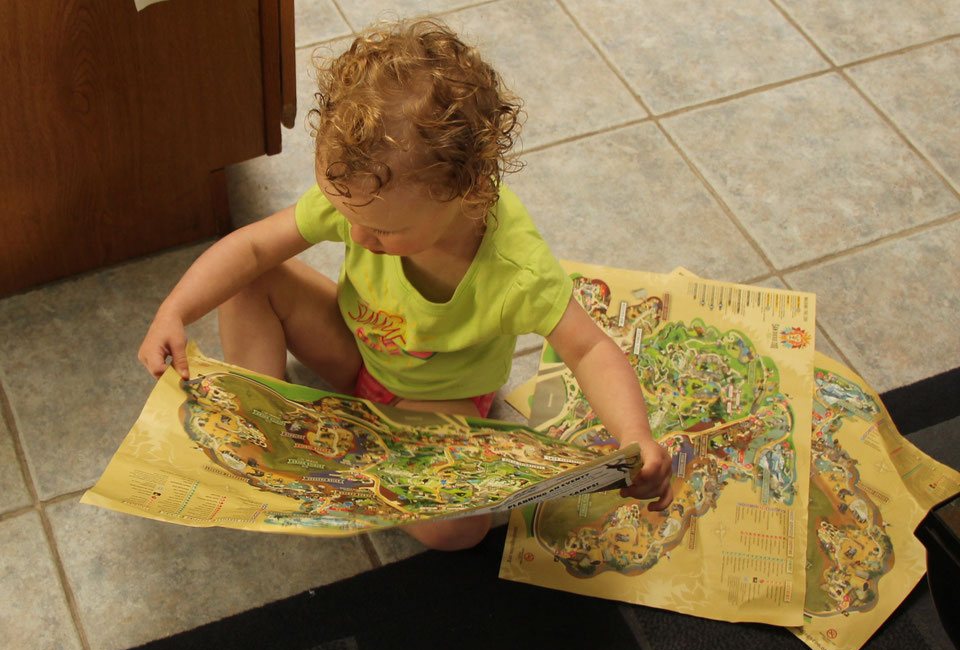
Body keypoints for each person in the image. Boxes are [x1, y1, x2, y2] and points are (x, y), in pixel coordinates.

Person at [138, 18, 673, 551]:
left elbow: (590, 348)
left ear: (468, 193)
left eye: (386, 230)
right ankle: (268, 421)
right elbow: (253, 247)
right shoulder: (364, 197)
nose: (358, 236)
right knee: (249, 279)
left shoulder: (516, 271)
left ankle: (379, 461)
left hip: (441, 401)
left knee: (455, 531)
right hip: (357, 351)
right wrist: (176, 310)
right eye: (347, 213)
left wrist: (635, 438)